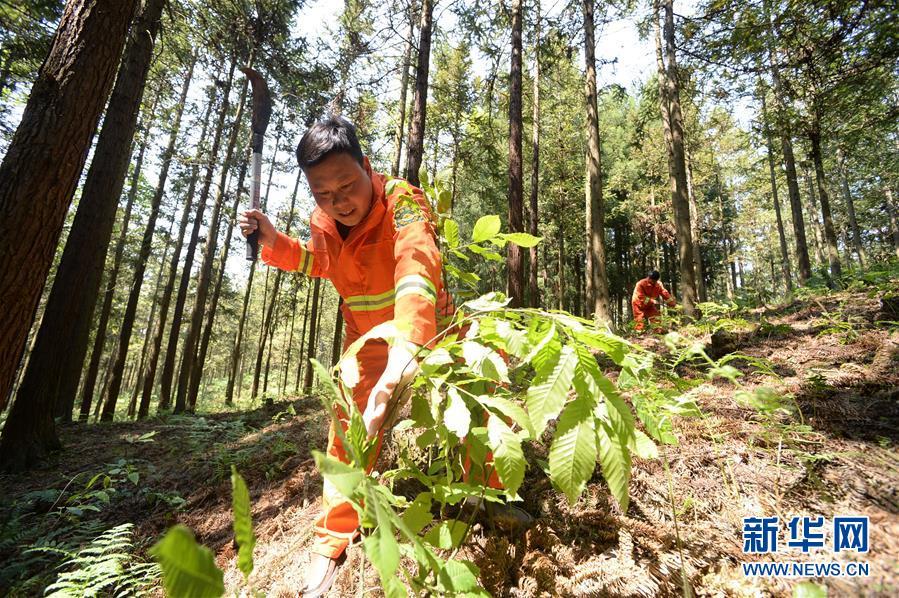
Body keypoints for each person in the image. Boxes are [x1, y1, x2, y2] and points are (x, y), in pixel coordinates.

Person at [239, 115, 529, 596]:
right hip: (367, 344)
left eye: (347, 186)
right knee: (348, 436)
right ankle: (332, 539)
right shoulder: (323, 221)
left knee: (478, 397)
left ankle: (492, 494)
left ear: (367, 168)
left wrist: (409, 346)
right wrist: (274, 242)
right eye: (323, 194)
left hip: (431, 330)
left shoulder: (404, 202)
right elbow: (322, 263)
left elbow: (416, 265)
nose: (339, 203)